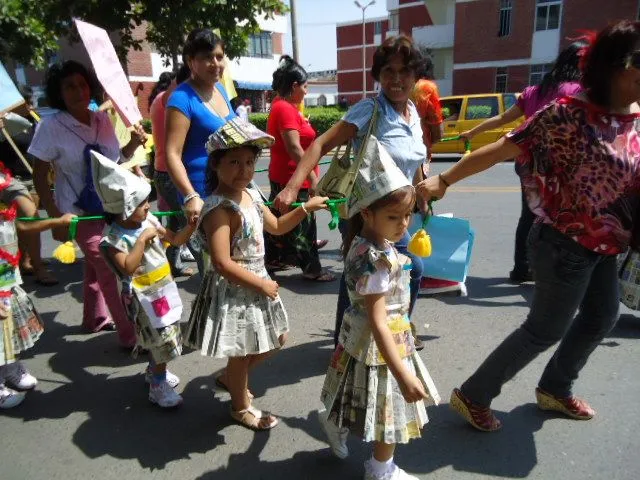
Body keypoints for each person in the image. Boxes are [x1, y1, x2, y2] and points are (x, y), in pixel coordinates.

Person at [418, 20, 640, 432]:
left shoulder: (634, 113)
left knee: (601, 317)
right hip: (564, 245)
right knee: (544, 329)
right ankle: (474, 394)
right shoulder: (567, 114)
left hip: (607, 246)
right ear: (616, 66)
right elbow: (503, 148)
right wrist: (443, 180)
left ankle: (556, 386)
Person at [273, 35, 429, 350]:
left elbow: (414, 157)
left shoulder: (412, 111)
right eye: (388, 71)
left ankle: (389, 330)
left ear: (416, 75)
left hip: (397, 209)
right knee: (366, 272)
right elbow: (320, 144)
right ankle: (347, 344)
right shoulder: (370, 109)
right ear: (379, 74)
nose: (396, 79)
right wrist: (292, 186)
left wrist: (422, 189)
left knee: (400, 270)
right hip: (364, 210)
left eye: (404, 72)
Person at [183, 118, 328, 430]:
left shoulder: (251, 194)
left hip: (258, 284)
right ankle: (240, 406)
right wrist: (262, 284)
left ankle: (231, 378)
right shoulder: (220, 208)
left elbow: (275, 226)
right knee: (243, 350)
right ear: (215, 164)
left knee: (276, 339)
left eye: (249, 162)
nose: (244, 170)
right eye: (234, 162)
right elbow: (222, 262)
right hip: (237, 289)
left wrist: (306, 209)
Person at [319, 151, 439, 480]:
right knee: (390, 410)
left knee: (355, 390)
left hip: (362, 338)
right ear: (368, 213)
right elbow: (378, 320)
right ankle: (380, 469)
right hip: (382, 342)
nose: (403, 224)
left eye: (407, 215)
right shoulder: (376, 261)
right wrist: (402, 373)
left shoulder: (366, 243)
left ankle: (332, 419)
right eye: (394, 217)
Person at [28, 60, 146, 347]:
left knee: (96, 268)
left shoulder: (102, 120)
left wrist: (133, 143)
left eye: (82, 84)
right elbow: (39, 174)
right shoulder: (50, 127)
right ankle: (132, 337)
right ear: (59, 92)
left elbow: (114, 162)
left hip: (109, 209)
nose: (78, 91)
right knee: (110, 268)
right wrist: (55, 216)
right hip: (77, 214)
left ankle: (94, 318)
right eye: (69, 86)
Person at [460, 41, 585, 283]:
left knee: (528, 216)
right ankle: (551, 271)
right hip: (561, 168)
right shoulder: (579, 92)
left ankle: (521, 268)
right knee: (561, 219)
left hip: (527, 163)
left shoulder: (534, 92)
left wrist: (473, 132)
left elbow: (502, 118)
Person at [93, 151, 195, 408]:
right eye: (140, 203)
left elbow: (175, 239)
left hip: (162, 290)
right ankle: (157, 384)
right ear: (123, 209)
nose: (148, 206)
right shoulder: (114, 239)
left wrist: (191, 227)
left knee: (166, 334)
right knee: (161, 337)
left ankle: (155, 370)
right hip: (142, 297)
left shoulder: (148, 220)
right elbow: (127, 267)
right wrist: (141, 241)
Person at [0, 162, 77, 408]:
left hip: (5, 272)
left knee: (6, 325)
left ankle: (8, 367)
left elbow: (22, 224)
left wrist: (56, 222)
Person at [165, 28, 237, 275]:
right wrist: (189, 196)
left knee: (235, 263)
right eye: (207, 57)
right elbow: (171, 154)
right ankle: (210, 314)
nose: (215, 63)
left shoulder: (222, 91)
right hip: (202, 193)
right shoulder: (181, 98)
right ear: (190, 61)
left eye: (219, 56)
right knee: (215, 270)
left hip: (230, 185)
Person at [264, 56, 334, 281]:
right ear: (294, 86)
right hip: (292, 177)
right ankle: (311, 269)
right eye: (305, 86)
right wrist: (312, 178)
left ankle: (274, 258)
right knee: (303, 223)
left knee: (278, 217)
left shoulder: (283, 106)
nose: (306, 91)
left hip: (285, 174)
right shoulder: (284, 108)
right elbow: (294, 147)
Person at [0, 88, 58, 286]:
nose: (29, 106)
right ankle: (39, 268)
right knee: (31, 215)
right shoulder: (5, 124)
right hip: (11, 179)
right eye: (24, 103)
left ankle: (27, 261)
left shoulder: (34, 122)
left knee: (26, 224)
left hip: (31, 176)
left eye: (29, 102)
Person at [150, 66, 195, 278]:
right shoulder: (174, 97)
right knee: (192, 227)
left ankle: (171, 265)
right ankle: (208, 278)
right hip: (170, 175)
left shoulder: (164, 97)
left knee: (177, 224)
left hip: (163, 172)